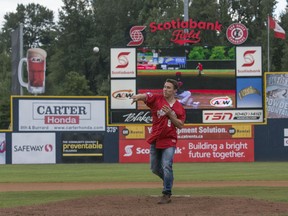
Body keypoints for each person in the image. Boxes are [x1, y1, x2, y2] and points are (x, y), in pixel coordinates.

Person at [131, 79, 186, 204]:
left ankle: (166, 193)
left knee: (167, 165)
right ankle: (169, 180)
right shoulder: (157, 99)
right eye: (164, 87)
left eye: (169, 87)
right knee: (155, 168)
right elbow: (146, 96)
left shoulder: (179, 107)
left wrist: (171, 115)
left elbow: (180, 125)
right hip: (156, 138)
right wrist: (137, 97)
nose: (165, 89)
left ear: (175, 91)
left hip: (169, 140)